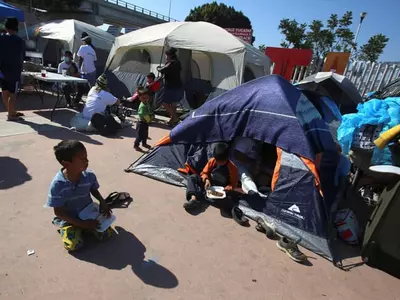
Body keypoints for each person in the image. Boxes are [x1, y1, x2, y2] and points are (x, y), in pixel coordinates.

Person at [47, 140, 113, 251]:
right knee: (74, 245)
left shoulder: (89, 176)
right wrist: (82, 224)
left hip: (88, 213)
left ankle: (86, 228)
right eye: (82, 159)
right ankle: (74, 229)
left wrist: (103, 202)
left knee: (106, 235)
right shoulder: (58, 185)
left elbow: (94, 190)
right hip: (70, 219)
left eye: (86, 157)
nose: (87, 161)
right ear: (66, 164)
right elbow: (58, 212)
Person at [184, 142, 239, 210]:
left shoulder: (233, 168)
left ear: (227, 159)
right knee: (192, 177)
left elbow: (233, 184)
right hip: (208, 185)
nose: (218, 162)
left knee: (227, 201)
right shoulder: (212, 161)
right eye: (217, 160)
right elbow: (204, 173)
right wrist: (206, 179)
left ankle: (204, 196)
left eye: (220, 161)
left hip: (220, 189)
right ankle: (193, 199)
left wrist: (228, 188)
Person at [0, 17, 25, 121]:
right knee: (12, 94)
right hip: (14, 71)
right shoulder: (20, 41)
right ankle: (11, 115)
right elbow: (22, 56)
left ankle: (11, 112)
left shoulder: (1, 39)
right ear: (16, 27)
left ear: (6, 27)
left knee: (4, 91)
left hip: (2, 71)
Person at [157, 48, 183, 126]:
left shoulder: (171, 63)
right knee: (173, 103)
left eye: (166, 55)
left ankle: (175, 118)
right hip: (178, 85)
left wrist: (158, 68)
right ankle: (173, 120)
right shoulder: (177, 62)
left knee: (164, 103)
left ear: (169, 55)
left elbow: (162, 70)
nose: (165, 57)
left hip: (171, 86)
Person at [134, 86, 152, 151]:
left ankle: (144, 143)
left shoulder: (146, 103)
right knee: (140, 136)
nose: (145, 99)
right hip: (141, 123)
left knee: (145, 134)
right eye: (143, 98)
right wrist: (149, 119)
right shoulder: (142, 106)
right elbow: (143, 114)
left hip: (145, 123)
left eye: (147, 97)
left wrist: (151, 115)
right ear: (139, 98)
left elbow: (149, 110)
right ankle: (136, 145)